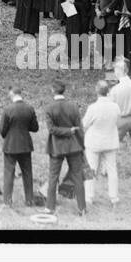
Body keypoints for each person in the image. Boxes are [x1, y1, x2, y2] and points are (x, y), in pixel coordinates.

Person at [44, 79, 86, 218]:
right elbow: (79, 128)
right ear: (64, 90)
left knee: (53, 177)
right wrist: (81, 143)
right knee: (78, 177)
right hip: (74, 146)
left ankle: (50, 208)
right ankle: (82, 208)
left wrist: (68, 131)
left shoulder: (49, 108)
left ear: (52, 90)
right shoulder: (73, 106)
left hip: (57, 147)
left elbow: (52, 129)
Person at [82, 80, 121, 206]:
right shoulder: (115, 107)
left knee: (91, 170)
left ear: (96, 91)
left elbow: (84, 124)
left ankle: (89, 197)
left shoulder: (93, 108)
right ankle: (114, 198)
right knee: (112, 170)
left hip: (94, 142)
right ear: (108, 91)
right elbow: (118, 120)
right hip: (110, 141)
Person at [0, 83, 37, 207]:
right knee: (27, 173)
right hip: (25, 145)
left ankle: (8, 201)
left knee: (9, 173)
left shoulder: (8, 109)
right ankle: (29, 200)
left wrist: (7, 136)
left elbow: (2, 129)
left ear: (12, 94)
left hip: (10, 145)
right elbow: (35, 127)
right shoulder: (30, 108)